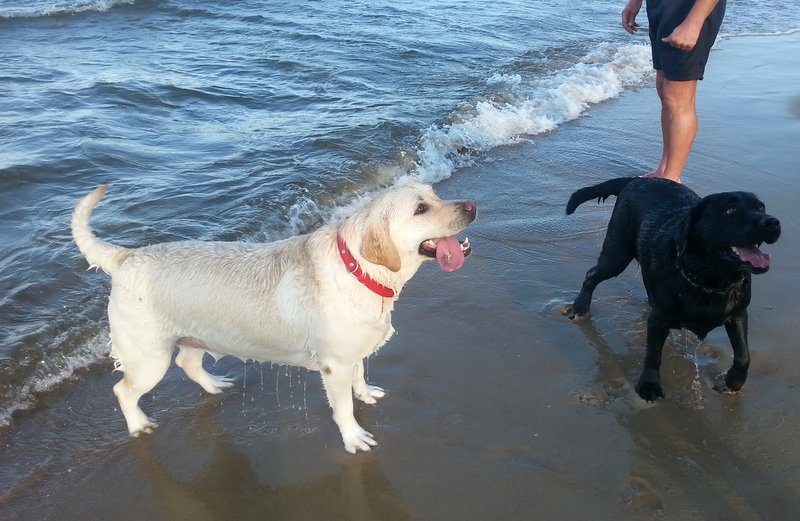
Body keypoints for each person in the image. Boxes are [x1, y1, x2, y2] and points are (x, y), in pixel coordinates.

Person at [622, 0, 726, 183]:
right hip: (661, 6)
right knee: (664, 87)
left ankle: (671, 180)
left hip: (690, 8)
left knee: (677, 96)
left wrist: (694, 21)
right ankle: (664, 169)